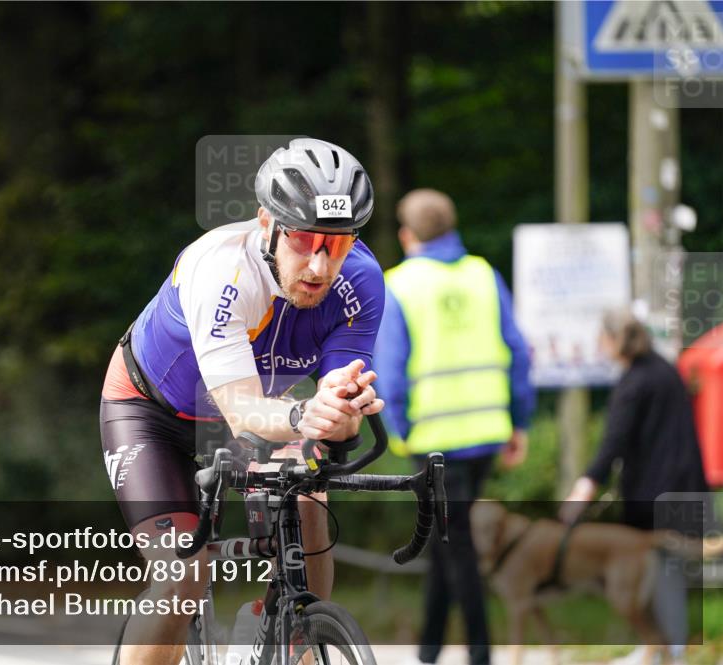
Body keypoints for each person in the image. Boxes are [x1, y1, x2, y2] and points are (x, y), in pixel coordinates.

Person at [100, 138, 387, 665]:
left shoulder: (362, 283)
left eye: (339, 244)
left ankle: (302, 635)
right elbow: (242, 411)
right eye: (303, 239)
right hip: (153, 412)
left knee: (309, 497)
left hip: (263, 410)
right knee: (183, 576)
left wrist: (343, 416)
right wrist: (307, 415)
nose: (320, 266)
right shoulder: (221, 270)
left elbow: (335, 407)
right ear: (267, 223)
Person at [373, 188, 535, 665]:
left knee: (455, 545)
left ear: (407, 235)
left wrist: (398, 431)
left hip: (433, 441)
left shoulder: (398, 284)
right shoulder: (484, 274)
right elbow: (518, 352)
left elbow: (392, 368)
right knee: (448, 540)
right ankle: (429, 648)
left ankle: (480, 654)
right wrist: (518, 422)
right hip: (487, 434)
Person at [561, 309, 708, 665]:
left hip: (653, 492)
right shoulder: (664, 369)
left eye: (603, 339)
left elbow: (614, 442)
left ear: (614, 341)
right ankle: (665, 648)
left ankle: (665, 651)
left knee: (655, 572)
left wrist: (585, 487)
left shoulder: (634, 382)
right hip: (686, 483)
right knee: (668, 572)